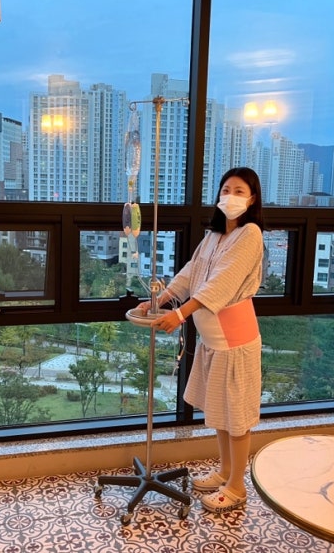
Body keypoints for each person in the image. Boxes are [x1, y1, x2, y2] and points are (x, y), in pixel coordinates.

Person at [136, 166, 264, 513]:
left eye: (239, 191)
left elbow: (220, 284)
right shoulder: (214, 236)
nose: (231, 196)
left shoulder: (250, 234)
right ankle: (224, 471)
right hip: (213, 339)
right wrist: (159, 300)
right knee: (221, 413)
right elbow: (190, 273)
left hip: (236, 341)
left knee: (236, 418)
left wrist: (179, 314)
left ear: (253, 199)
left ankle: (237, 487)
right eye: (226, 190)